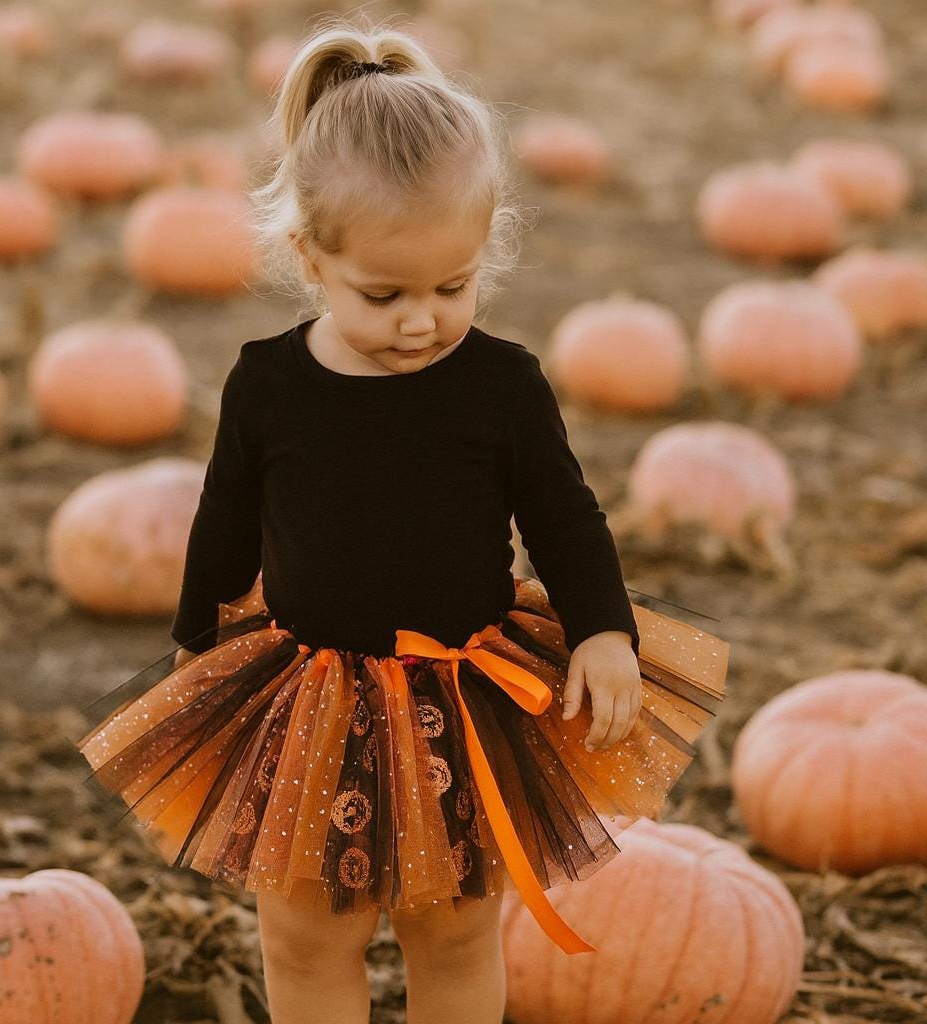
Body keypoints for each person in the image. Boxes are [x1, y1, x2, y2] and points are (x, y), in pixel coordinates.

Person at [74, 16, 728, 1024]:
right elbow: (226, 521)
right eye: (384, 294)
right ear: (309, 256)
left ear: (483, 250)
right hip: (306, 696)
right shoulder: (268, 384)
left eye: (452, 286)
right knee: (304, 932)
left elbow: (564, 514)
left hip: (465, 698)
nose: (421, 319)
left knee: (456, 930)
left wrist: (604, 629)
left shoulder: (501, 385)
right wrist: (196, 643)